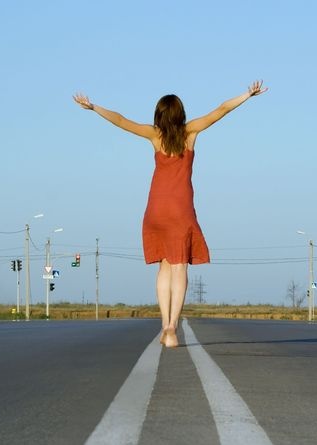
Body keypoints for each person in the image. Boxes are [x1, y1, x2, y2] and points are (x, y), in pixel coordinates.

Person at [73, 81, 268, 348]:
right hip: (180, 208)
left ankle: (164, 324)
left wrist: (93, 107)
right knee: (180, 267)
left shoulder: (155, 137)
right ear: (181, 114)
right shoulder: (190, 133)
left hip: (155, 208)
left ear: (159, 115)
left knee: (164, 266)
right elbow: (221, 110)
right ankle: (173, 327)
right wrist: (247, 95)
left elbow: (120, 120)